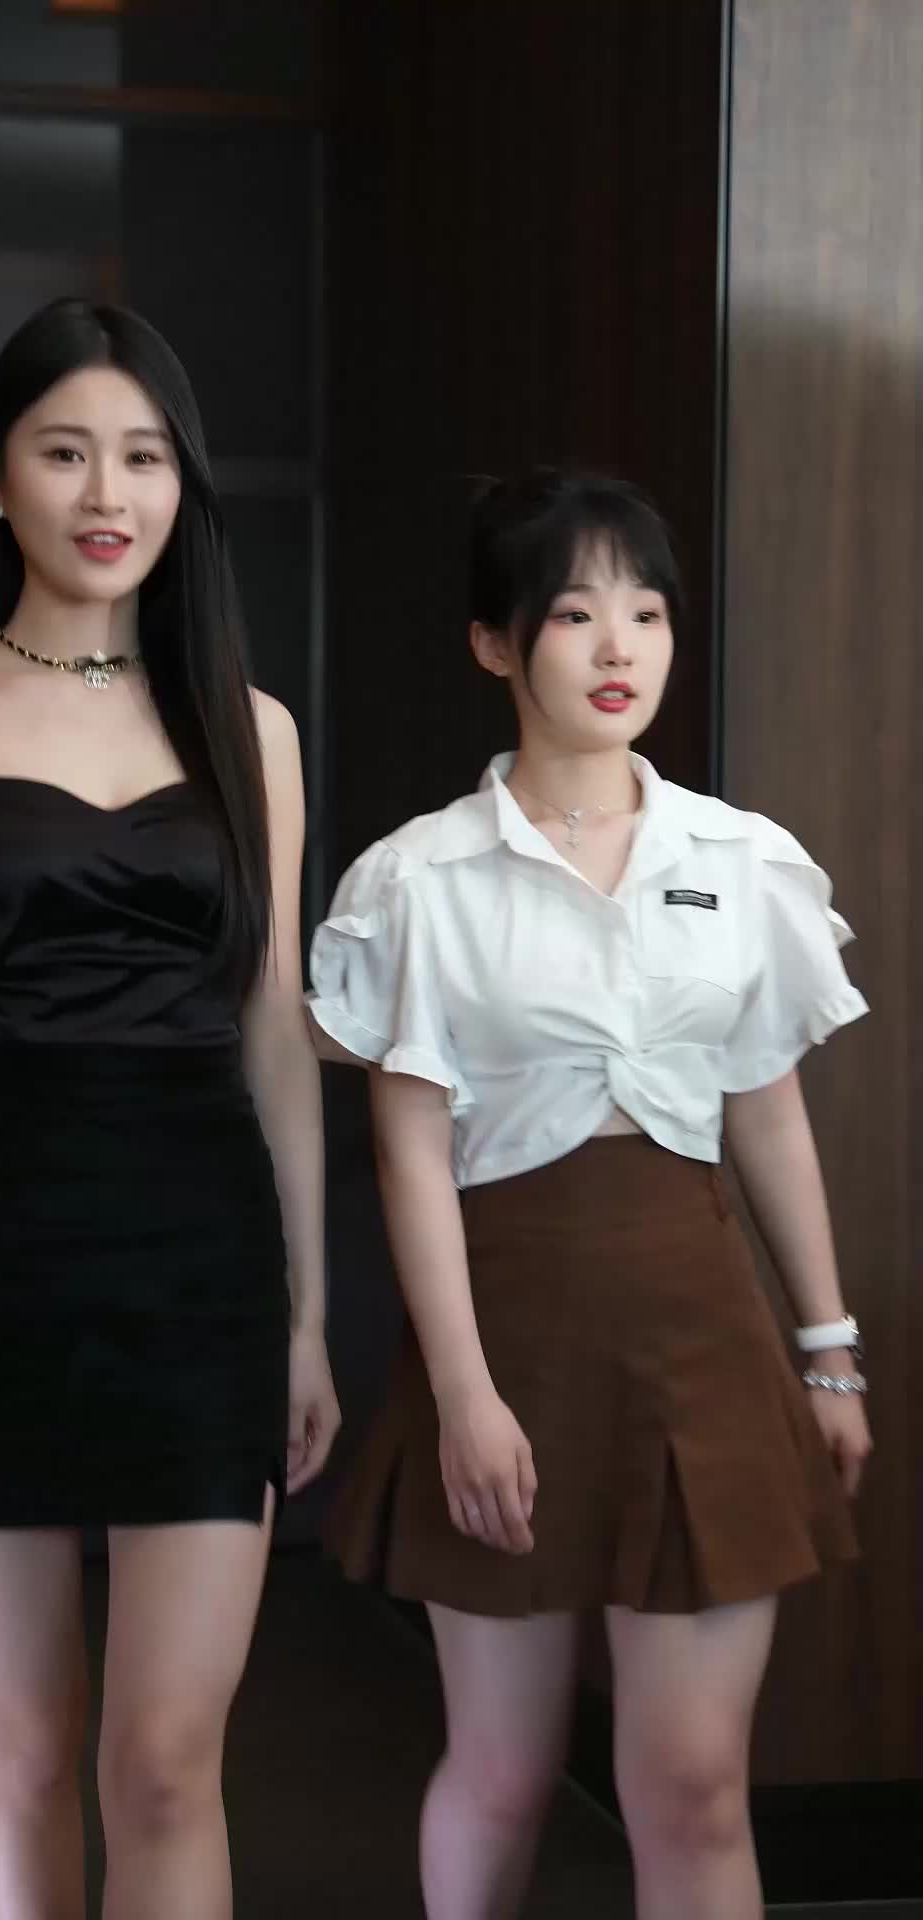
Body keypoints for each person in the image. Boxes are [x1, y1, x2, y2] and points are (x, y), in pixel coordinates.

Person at [308, 468, 871, 1920]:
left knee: (693, 1785)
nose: (620, 647)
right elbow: (409, 1154)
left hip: (703, 1338)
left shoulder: (743, 861)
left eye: (646, 612)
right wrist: (464, 1394)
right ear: (495, 643)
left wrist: (828, 1349)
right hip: (503, 1343)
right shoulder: (416, 881)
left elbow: (766, 1112)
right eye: (573, 614)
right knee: (502, 1770)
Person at [0, 296, 340, 1920]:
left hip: (203, 1267)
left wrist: (308, 1319)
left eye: (145, 455)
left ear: (184, 483)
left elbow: (275, 1032)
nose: (109, 492)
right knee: (27, 1745)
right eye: (66, 452)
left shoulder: (252, 730)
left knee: (170, 1764)